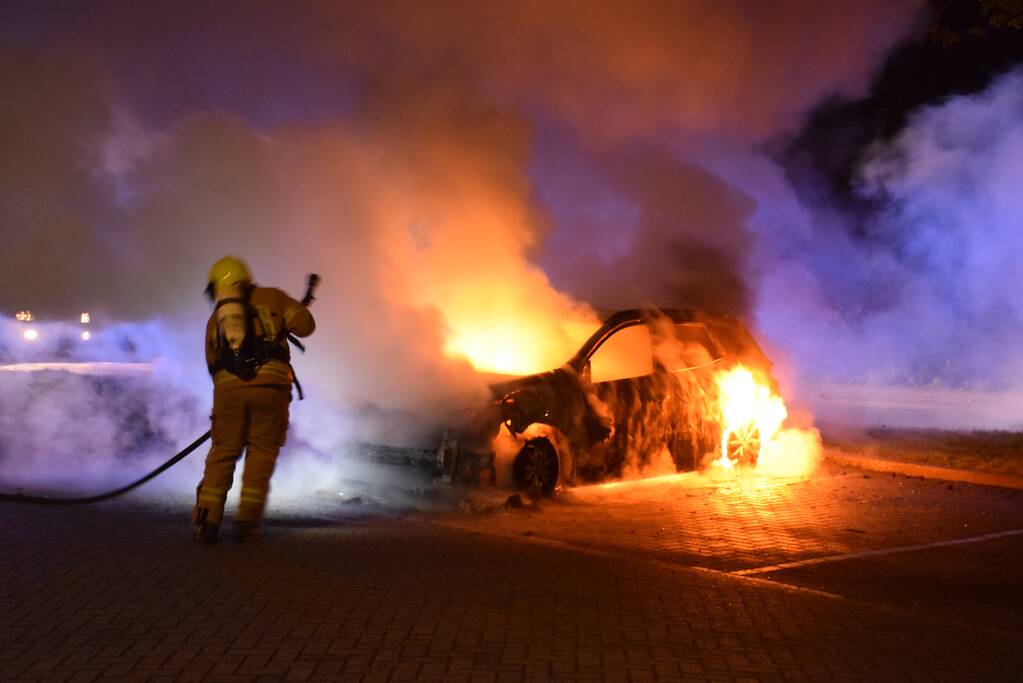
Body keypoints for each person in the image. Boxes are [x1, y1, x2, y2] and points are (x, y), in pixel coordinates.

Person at [192, 256, 315, 543]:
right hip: (271, 389)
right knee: (261, 452)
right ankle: (247, 524)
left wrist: (229, 401)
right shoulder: (273, 297)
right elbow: (306, 326)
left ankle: (206, 522)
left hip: (228, 392)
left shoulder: (216, 320)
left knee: (223, 453)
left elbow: (212, 362)